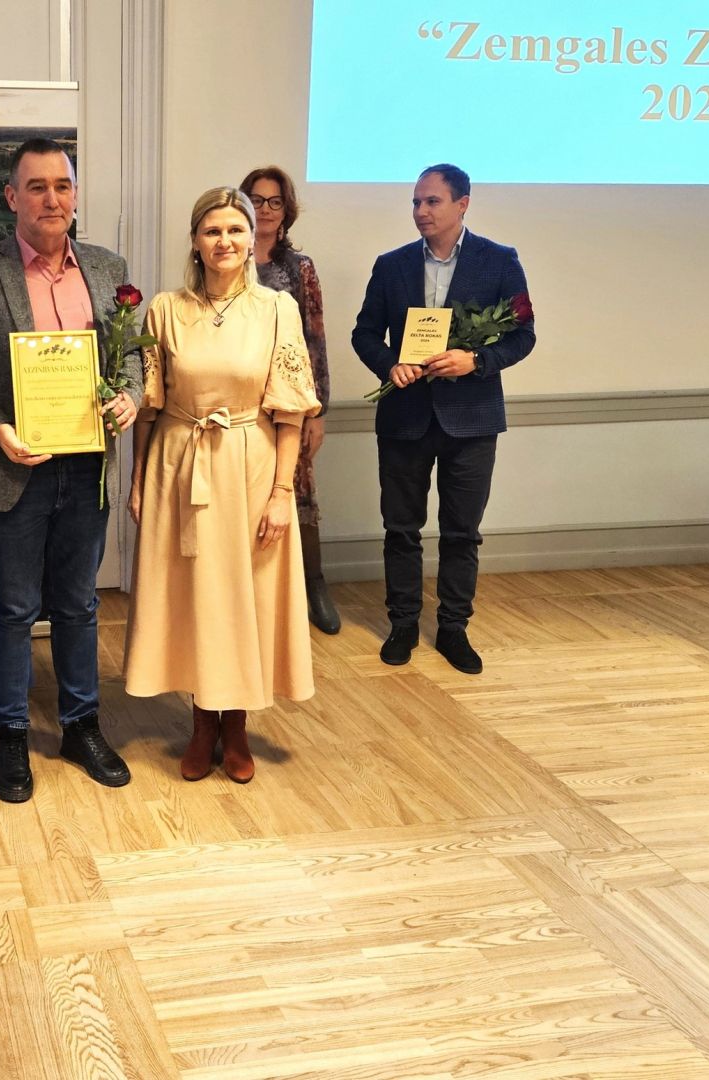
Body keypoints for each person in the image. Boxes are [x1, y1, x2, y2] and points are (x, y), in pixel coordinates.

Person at [0, 138, 141, 802]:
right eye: (37, 186)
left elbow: (130, 356)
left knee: (79, 605)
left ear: (75, 194)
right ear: (11, 197)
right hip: (12, 468)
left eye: (62, 185)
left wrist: (131, 396)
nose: (52, 199)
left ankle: (81, 726)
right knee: (14, 608)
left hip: (87, 468)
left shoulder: (108, 269)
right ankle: (11, 735)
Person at [123, 187, 321, 783]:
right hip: (178, 464)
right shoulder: (164, 309)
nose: (225, 241)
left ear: (252, 238)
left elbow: (290, 411)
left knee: (243, 595)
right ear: (195, 241)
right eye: (213, 231)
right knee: (191, 595)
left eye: (236, 230)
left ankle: (234, 725)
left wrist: (283, 493)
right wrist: (138, 481)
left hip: (249, 465)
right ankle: (201, 722)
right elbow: (149, 408)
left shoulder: (277, 309)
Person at [351, 163, 536, 676]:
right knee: (400, 528)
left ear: (462, 204)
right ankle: (403, 623)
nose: (421, 211)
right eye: (416, 202)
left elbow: (523, 335)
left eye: (431, 201)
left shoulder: (498, 261)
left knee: (462, 532)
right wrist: (390, 364)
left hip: (471, 418)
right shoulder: (391, 265)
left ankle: (453, 627)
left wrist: (476, 361)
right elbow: (364, 333)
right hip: (405, 416)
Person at [238, 166, 340, 634]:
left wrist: (317, 410)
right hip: (238, 402)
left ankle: (313, 585)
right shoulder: (225, 256)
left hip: (290, 403)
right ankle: (255, 593)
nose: (264, 209)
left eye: (274, 202)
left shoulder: (299, 269)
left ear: (286, 211)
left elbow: (314, 340)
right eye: (256, 200)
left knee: (296, 493)